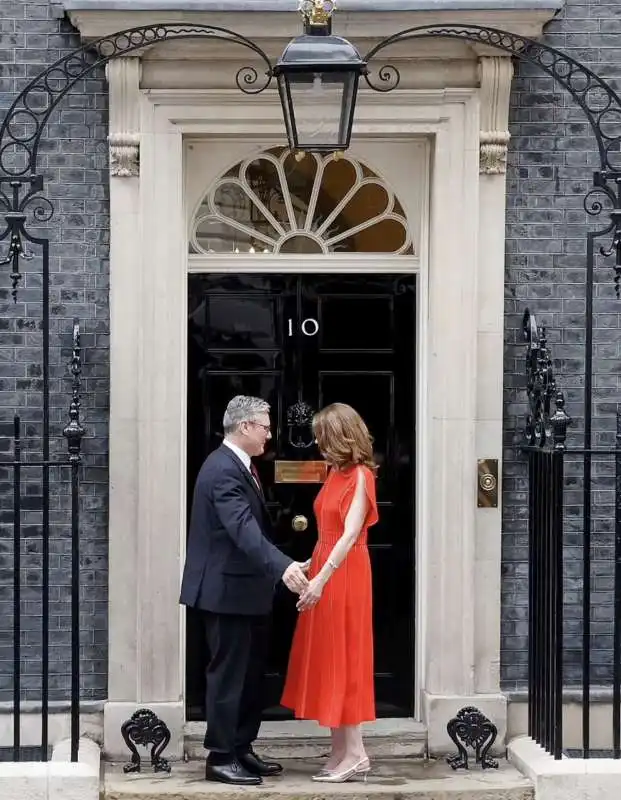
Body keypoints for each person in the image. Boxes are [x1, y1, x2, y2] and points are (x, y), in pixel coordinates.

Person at [180, 395, 309, 786]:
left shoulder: (242, 466)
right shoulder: (222, 470)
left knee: (250, 675)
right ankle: (220, 756)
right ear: (245, 427)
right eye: (265, 427)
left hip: (245, 592)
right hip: (225, 593)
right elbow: (243, 530)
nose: (270, 434)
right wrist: (283, 565)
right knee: (228, 676)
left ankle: (241, 747)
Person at [281, 402, 379, 783]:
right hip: (327, 563)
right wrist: (311, 563)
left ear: (341, 437)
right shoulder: (334, 473)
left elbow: (351, 533)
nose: (318, 444)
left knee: (346, 655)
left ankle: (356, 752)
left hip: (346, 573)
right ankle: (340, 748)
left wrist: (321, 580)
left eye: (323, 437)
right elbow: (328, 532)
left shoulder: (360, 475)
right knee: (328, 656)